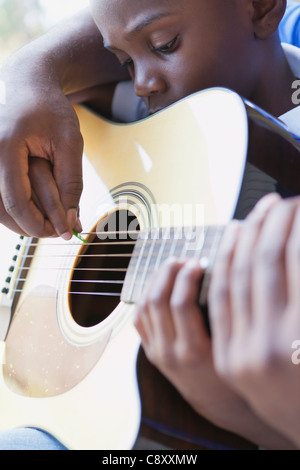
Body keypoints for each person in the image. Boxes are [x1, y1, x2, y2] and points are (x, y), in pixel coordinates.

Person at [0, 0, 300, 450]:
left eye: (165, 45)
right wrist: (28, 76)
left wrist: (233, 411)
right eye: (122, 61)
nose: (139, 83)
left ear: (262, 8)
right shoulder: (160, 109)